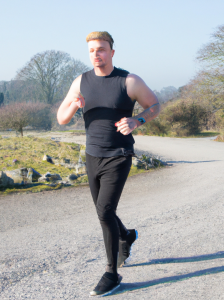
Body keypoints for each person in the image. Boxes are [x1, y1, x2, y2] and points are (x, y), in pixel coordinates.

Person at [57, 31, 160, 296]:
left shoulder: (129, 81)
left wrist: (138, 120)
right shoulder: (81, 81)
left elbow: (154, 105)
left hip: (119, 155)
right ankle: (126, 236)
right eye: (92, 50)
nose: (96, 54)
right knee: (105, 211)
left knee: (104, 211)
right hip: (93, 156)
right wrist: (74, 106)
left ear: (112, 52)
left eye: (101, 49)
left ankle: (111, 273)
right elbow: (62, 118)